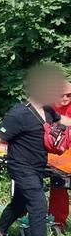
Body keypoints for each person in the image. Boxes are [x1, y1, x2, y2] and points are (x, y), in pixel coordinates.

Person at [0, 64, 68, 236]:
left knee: (19, 204)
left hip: (36, 168)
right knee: (38, 204)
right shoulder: (18, 113)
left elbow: (64, 121)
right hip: (20, 167)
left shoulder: (48, 111)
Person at [48, 80, 71, 228]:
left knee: (60, 184)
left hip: (66, 155)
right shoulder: (46, 107)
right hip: (48, 152)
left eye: (69, 95)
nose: (65, 98)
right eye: (62, 95)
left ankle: (58, 222)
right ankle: (23, 217)